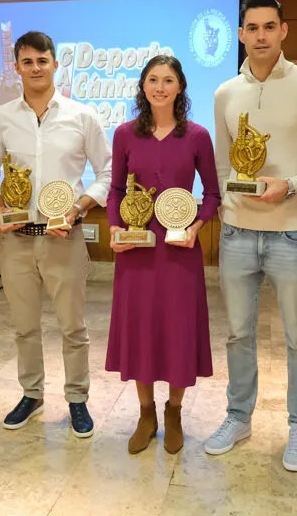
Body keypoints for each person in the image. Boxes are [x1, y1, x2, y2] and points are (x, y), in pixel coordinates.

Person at [207, 0, 297, 472]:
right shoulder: (225, 93)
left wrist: (294, 184)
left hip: (292, 232)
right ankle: (238, 416)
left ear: (283, 30)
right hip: (238, 233)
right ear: (240, 34)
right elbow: (222, 161)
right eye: (252, 27)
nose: (260, 35)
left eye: (269, 26)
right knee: (238, 334)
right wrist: (228, 207)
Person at [0, 31, 112, 438]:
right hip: (16, 240)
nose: (35, 68)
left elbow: (108, 172)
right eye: (27, 61)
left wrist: (79, 208)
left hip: (64, 238)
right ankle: (32, 394)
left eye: (42, 60)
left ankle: (77, 399)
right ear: (17, 67)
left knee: (73, 327)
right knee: (24, 326)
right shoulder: (1, 118)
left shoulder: (82, 116)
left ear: (55, 64)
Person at [106, 55, 221, 454]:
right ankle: (146, 413)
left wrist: (195, 228)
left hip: (178, 251)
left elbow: (212, 193)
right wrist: (115, 229)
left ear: (180, 87)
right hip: (136, 249)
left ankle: (173, 412)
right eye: (152, 79)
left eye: (168, 80)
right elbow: (116, 191)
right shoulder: (124, 134)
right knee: (140, 330)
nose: (160, 87)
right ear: (143, 86)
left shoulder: (197, 136)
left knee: (177, 331)